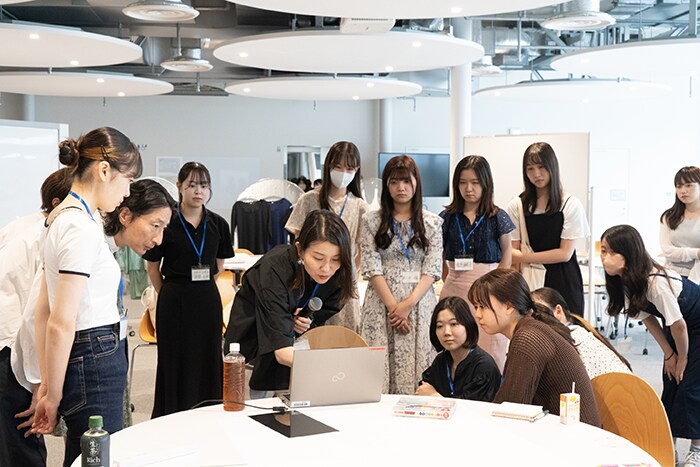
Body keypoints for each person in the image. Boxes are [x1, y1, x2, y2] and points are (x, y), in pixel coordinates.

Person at [31, 127, 142, 467]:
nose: (126, 193)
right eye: (127, 180)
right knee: (97, 457)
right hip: (93, 353)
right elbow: (59, 320)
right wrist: (52, 393)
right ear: (104, 170)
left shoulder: (67, 217)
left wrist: (50, 383)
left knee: (87, 455)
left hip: (88, 352)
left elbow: (44, 311)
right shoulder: (78, 225)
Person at [225, 210, 356, 394]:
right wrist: (334, 368)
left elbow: (323, 311)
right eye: (318, 258)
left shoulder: (338, 274)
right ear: (300, 249)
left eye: (336, 259)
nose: (326, 268)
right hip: (251, 356)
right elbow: (281, 351)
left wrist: (306, 322)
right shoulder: (274, 270)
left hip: (295, 358)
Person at [601, 224, 700, 465]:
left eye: (611, 252)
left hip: (694, 324)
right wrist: (669, 355)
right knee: (671, 381)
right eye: (603, 251)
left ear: (629, 254)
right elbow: (647, 318)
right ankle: (669, 445)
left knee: (690, 385)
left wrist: (683, 358)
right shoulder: (624, 281)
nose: (605, 258)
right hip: (678, 327)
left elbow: (679, 326)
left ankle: (696, 449)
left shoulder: (655, 282)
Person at [144, 162, 234, 418]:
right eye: (192, 185)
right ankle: (172, 415)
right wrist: (167, 293)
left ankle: (208, 413)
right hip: (173, 296)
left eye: (204, 186)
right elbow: (153, 267)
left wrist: (203, 287)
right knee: (174, 359)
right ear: (179, 187)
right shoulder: (166, 222)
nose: (198, 191)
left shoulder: (218, 223)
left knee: (208, 356)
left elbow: (219, 264)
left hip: (206, 298)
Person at [0, 169, 71, 467]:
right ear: (57, 203)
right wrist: (40, 384)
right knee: (22, 448)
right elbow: (34, 317)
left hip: (7, 345)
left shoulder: (17, 225)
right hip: (15, 353)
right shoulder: (47, 234)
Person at [468, 269, 600, 426]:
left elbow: (511, 409)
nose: (477, 315)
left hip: (573, 439)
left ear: (509, 306)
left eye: (482, 306)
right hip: (565, 431)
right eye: (476, 307)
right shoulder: (530, 328)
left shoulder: (527, 338)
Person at [359, 155, 443, 394]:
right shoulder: (370, 221)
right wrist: (394, 307)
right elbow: (371, 266)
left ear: (416, 183)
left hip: (419, 305)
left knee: (420, 371)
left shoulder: (433, 223)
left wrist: (407, 304)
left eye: (406, 181)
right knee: (378, 373)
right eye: (394, 182)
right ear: (387, 185)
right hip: (381, 305)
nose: (401, 188)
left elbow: (432, 268)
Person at [439, 155, 514, 372]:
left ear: (485, 183)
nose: (468, 188)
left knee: (490, 345)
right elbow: (441, 254)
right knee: (455, 341)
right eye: (462, 182)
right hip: (454, 286)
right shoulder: (447, 217)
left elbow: (507, 252)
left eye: (475, 182)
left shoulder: (497, 216)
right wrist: (448, 278)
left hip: (489, 291)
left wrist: (498, 288)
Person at [285, 141, 368, 331]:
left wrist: (350, 271)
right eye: (338, 167)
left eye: (349, 168)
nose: (343, 172)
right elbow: (297, 243)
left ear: (356, 170)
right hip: (309, 279)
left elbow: (362, 249)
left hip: (343, 283)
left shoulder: (360, 207)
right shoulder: (309, 199)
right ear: (328, 167)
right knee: (307, 331)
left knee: (344, 338)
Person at [506, 142, 588, 314]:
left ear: (552, 166)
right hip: (531, 280)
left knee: (568, 334)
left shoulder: (570, 204)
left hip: (564, 280)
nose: (536, 174)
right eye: (530, 169)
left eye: (541, 167)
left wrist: (524, 257)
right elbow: (513, 255)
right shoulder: (517, 205)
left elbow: (564, 254)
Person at [531, 287, 632, 379]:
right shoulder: (577, 331)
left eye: (539, 313)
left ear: (558, 311)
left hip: (619, 394)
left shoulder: (572, 338)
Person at [416, 296, 500, 401]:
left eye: (453, 324)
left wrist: (435, 397)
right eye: (440, 326)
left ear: (468, 326)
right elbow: (424, 387)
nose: (446, 332)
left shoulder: (484, 367)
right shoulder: (441, 360)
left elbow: (471, 411)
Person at [660, 166, 700, 282]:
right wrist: (696, 253)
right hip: (670, 277)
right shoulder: (669, 216)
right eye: (679, 186)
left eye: (688, 185)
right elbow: (667, 250)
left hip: (696, 280)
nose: (683, 191)